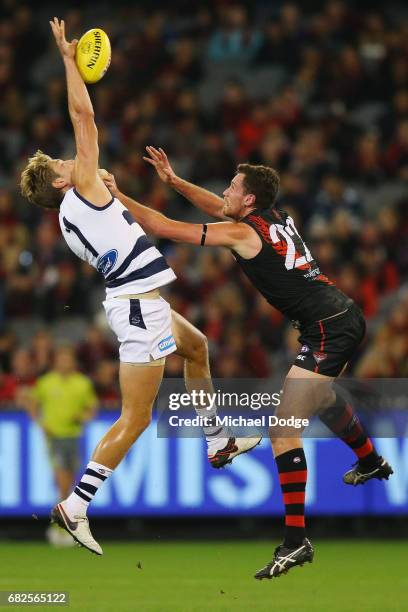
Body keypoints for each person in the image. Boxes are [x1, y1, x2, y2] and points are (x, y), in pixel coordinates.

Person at [19, 19, 260, 555]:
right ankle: (76, 505)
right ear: (61, 181)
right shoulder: (78, 187)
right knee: (137, 416)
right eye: (66, 163)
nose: (75, 160)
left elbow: (123, 217)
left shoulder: (69, 216)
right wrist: (68, 59)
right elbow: (84, 114)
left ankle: (217, 442)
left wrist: (116, 191)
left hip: (137, 302)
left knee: (197, 346)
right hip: (137, 307)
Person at [101, 146, 394, 579]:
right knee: (323, 397)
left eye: (234, 187)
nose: (226, 191)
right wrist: (174, 181)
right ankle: (369, 461)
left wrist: (116, 195)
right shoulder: (275, 217)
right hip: (337, 317)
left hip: (330, 327)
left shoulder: (244, 234)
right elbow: (220, 208)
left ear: (250, 200)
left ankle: (296, 542)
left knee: (282, 431)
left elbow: (163, 227)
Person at [26, 346, 97, 547]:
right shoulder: (46, 382)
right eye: (61, 359)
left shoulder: (82, 383)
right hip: (55, 437)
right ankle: (62, 527)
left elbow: (92, 407)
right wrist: (41, 423)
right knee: (63, 482)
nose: (65, 362)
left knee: (70, 483)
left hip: (74, 436)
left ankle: (61, 525)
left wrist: (83, 417)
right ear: (56, 361)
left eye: (68, 359)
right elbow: (30, 401)